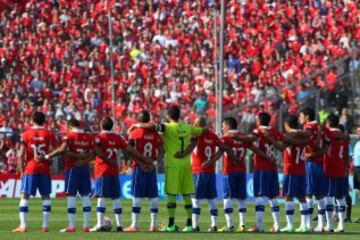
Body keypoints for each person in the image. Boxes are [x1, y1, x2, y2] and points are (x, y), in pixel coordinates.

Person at [128, 105, 205, 232]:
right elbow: (198, 137)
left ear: (168, 116)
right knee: (187, 195)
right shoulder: (188, 127)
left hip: (173, 165)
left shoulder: (167, 127)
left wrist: (136, 125)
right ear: (179, 115)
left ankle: (171, 225)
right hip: (186, 165)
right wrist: (185, 152)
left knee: (171, 195)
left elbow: (152, 126)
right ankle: (190, 225)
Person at [207, 117, 273, 232]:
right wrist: (267, 157)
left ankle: (230, 225)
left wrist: (210, 162)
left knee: (227, 198)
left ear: (228, 126)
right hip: (242, 172)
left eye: (223, 126)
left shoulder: (226, 138)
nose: (222, 128)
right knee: (241, 199)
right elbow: (255, 149)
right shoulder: (243, 138)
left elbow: (220, 152)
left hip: (229, 172)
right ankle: (242, 225)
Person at [90, 116, 153, 232]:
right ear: (112, 126)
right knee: (115, 197)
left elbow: (95, 150)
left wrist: (104, 159)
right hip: (114, 171)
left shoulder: (99, 137)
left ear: (101, 126)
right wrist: (142, 157)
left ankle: (99, 224)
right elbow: (129, 149)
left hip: (102, 171)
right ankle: (119, 225)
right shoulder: (117, 138)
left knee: (102, 197)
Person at [175, 117, 232, 232]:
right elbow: (223, 148)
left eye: (194, 124)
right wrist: (212, 161)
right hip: (210, 172)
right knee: (212, 200)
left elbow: (187, 143)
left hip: (198, 171)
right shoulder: (212, 135)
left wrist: (181, 154)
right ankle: (214, 225)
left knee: (195, 200)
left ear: (197, 125)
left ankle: (195, 226)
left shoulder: (195, 135)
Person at [46, 118, 97, 233]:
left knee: (71, 195)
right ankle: (86, 226)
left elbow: (62, 149)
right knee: (85, 196)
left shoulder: (69, 136)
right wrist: (84, 161)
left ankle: (72, 226)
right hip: (84, 169)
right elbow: (94, 153)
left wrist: (49, 155)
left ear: (69, 126)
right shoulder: (89, 137)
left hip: (72, 169)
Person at [12, 112, 57, 233]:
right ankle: (45, 226)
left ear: (32, 120)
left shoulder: (27, 133)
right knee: (46, 196)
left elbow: (21, 155)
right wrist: (48, 157)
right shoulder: (49, 133)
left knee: (25, 195)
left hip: (31, 168)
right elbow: (57, 149)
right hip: (44, 168)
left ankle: (23, 226)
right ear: (44, 121)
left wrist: (21, 170)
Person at [265, 115, 310, 233]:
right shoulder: (302, 134)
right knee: (302, 198)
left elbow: (281, 147)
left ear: (286, 124)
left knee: (289, 197)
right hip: (301, 169)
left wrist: (270, 139)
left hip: (290, 169)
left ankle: (290, 225)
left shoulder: (289, 135)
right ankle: (304, 225)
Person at [125, 111, 164, 232]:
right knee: (153, 197)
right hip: (151, 168)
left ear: (139, 120)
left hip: (139, 168)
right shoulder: (156, 135)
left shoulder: (134, 133)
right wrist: (154, 162)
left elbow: (129, 151)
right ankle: (153, 225)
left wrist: (141, 163)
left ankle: (134, 225)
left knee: (136, 196)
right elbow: (162, 151)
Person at [299, 108, 326, 231]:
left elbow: (312, 139)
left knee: (308, 194)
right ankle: (321, 225)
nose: (300, 118)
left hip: (310, 163)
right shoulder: (321, 127)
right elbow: (326, 145)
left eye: (301, 116)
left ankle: (308, 225)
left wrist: (311, 154)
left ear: (307, 116)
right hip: (320, 163)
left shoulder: (307, 127)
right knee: (320, 195)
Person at [322, 114, 349, 232]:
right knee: (340, 198)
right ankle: (341, 226)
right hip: (341, 171)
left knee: (328, 197)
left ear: (328, 123)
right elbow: (347, 156)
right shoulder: (344, 137)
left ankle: (330, 225)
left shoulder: (329, 135)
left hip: (330, 169)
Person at [353, 126, 360, 223]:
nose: (358, 133)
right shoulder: (357, 143)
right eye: (358, 131)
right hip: (356, 168)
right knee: (358, 192)